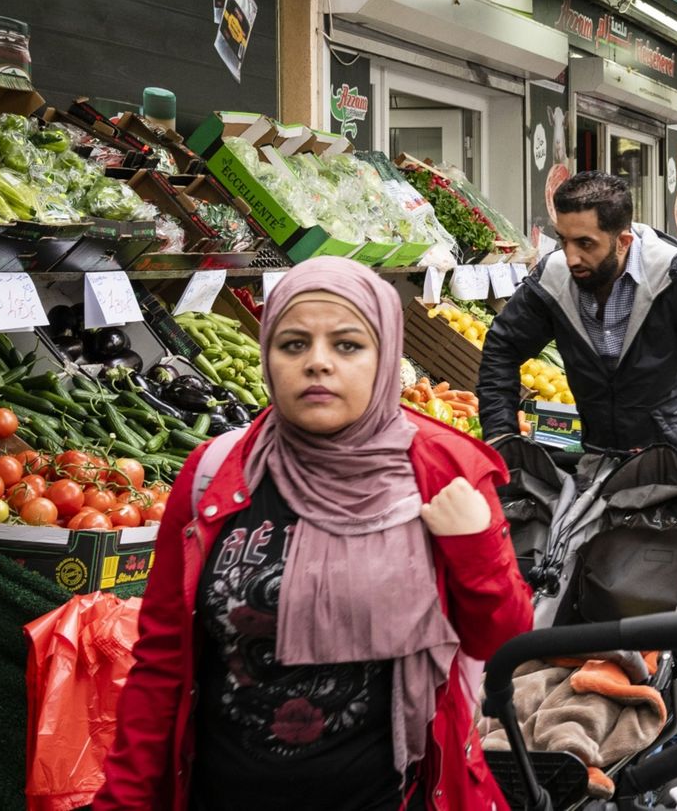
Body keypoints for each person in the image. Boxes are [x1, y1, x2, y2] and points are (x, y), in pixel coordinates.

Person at [94, 257, 532, 811]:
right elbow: (161, 661)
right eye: (293, 344)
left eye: (348, 345)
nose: (318, 363)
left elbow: (501, 642)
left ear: (385, 357)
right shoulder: (214, 473)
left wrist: (476, 548)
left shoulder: (442, 472)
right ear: (267, 358)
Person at [477, 172, 677, 477]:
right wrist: (501, 432)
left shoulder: (675, 278)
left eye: (585, 244)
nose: (571, 257)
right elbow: (503, 348)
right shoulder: (553, 279)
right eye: (563, 240)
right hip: (600, 458)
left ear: (623, 241)